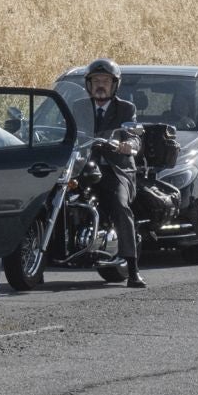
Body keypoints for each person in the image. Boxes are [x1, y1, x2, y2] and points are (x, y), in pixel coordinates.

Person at [83, 57, 145, 289]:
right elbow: (61, 127)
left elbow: (134, 134)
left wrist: (129, 144)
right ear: (88, 84)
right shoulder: (79, 107)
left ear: (114, 85)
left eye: (106, 81)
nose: (100, 85)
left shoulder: (125, 108)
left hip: (116, 168)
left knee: (120, 205)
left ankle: (133, 269)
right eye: (96, 80)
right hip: (82, 166)